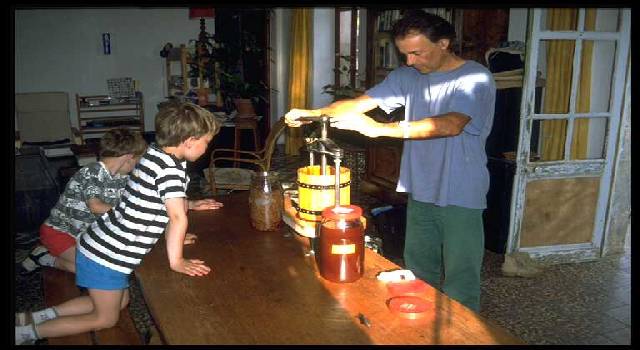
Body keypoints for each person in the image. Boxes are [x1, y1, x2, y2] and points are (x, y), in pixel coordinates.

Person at [285, 10, 495, 312]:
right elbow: (359, 105)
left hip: (461, 192)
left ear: (444, 43)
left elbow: (451, 124)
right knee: (419, 272)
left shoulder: (474, 77)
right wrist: (315, 113)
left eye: (416, 53)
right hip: (421, 188)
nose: (409, 61)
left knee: (460, 282)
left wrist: (378, 129)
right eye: (404, 54)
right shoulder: (407, 76)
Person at [15, 102, 223, 345]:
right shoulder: (170, 172)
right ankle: (26, 334)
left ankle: (37, 316)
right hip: (106, 256)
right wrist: (176, 260)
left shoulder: (155, 155)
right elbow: (177, 216)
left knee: (119, 302)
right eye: (206, 141)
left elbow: (155, 207)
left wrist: (171, 237)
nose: (207, 147)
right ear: (189, 140)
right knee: (104, 318)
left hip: (101, 245)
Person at [20, 128, 148, 275]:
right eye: (137, 161)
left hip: (85, 235)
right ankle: (44, 257)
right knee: (93, 271)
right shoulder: (91, 172)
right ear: (128, 157)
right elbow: (95, 206)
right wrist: (129, 209)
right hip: (60, 233)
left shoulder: (121, 178)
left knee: (111, 264)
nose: (137, 165)